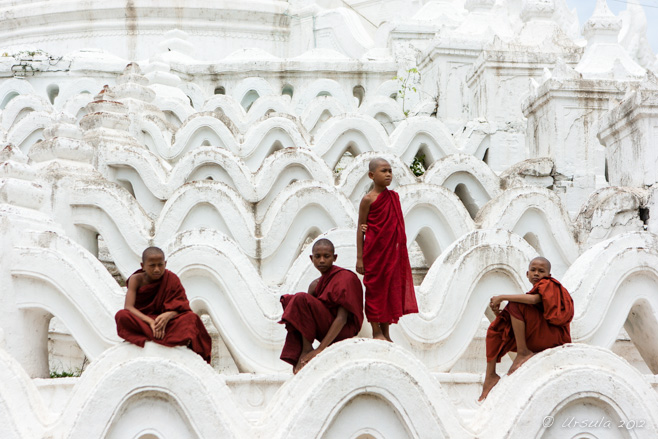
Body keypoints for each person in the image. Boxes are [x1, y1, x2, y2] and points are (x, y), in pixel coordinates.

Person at [478, 257, 574, 401]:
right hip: (539, 333)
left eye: (541, 271)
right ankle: (490, 376)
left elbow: (534, 300)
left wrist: (502, 297)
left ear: (548, 275)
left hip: (553, 337)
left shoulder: (549, 284)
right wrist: (500, 315)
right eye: (533, 270)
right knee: (495, 330)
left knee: (516, 304)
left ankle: (523, 352)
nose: (536, 274)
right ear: (527, 274)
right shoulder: (534, 291)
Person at [279, 239, 364, 374]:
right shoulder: (314, 285)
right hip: (324, 329)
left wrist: (319, 350)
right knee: (294, 300)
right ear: (311, 258)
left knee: (300, 298)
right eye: (318, 257)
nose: (322, 261)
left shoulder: (345, 278)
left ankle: (308, 350)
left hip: (342, 330)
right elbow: (306, 319)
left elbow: (342, 318)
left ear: (334, 257)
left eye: (327, 256)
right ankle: (305, 349)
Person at [356, 157, 418, 341]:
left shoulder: (394, 197)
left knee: (390, 290)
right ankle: (376, 332)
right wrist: (359, 258)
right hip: (374, 253)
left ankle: (386, 332)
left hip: (391, 254)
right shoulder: (367, 200)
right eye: (383, 171)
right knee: (375, 291)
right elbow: (360, 228)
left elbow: (397, 227)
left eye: (390, 171)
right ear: (371, 175)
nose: (388, 174)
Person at [115, 247, 212, 363]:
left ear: (165, 263)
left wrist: (168, 315)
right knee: (122, 316)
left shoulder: (171, 279)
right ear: (143, 265)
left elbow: (182, 308)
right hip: (144, 321)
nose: (157, 269)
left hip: (167, 323)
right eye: (152, 265)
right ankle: (163, 337)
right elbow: (129, 307)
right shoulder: (136, 280)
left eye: (160, 265)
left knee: (192, 319)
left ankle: (153, 335)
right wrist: (151, 322)